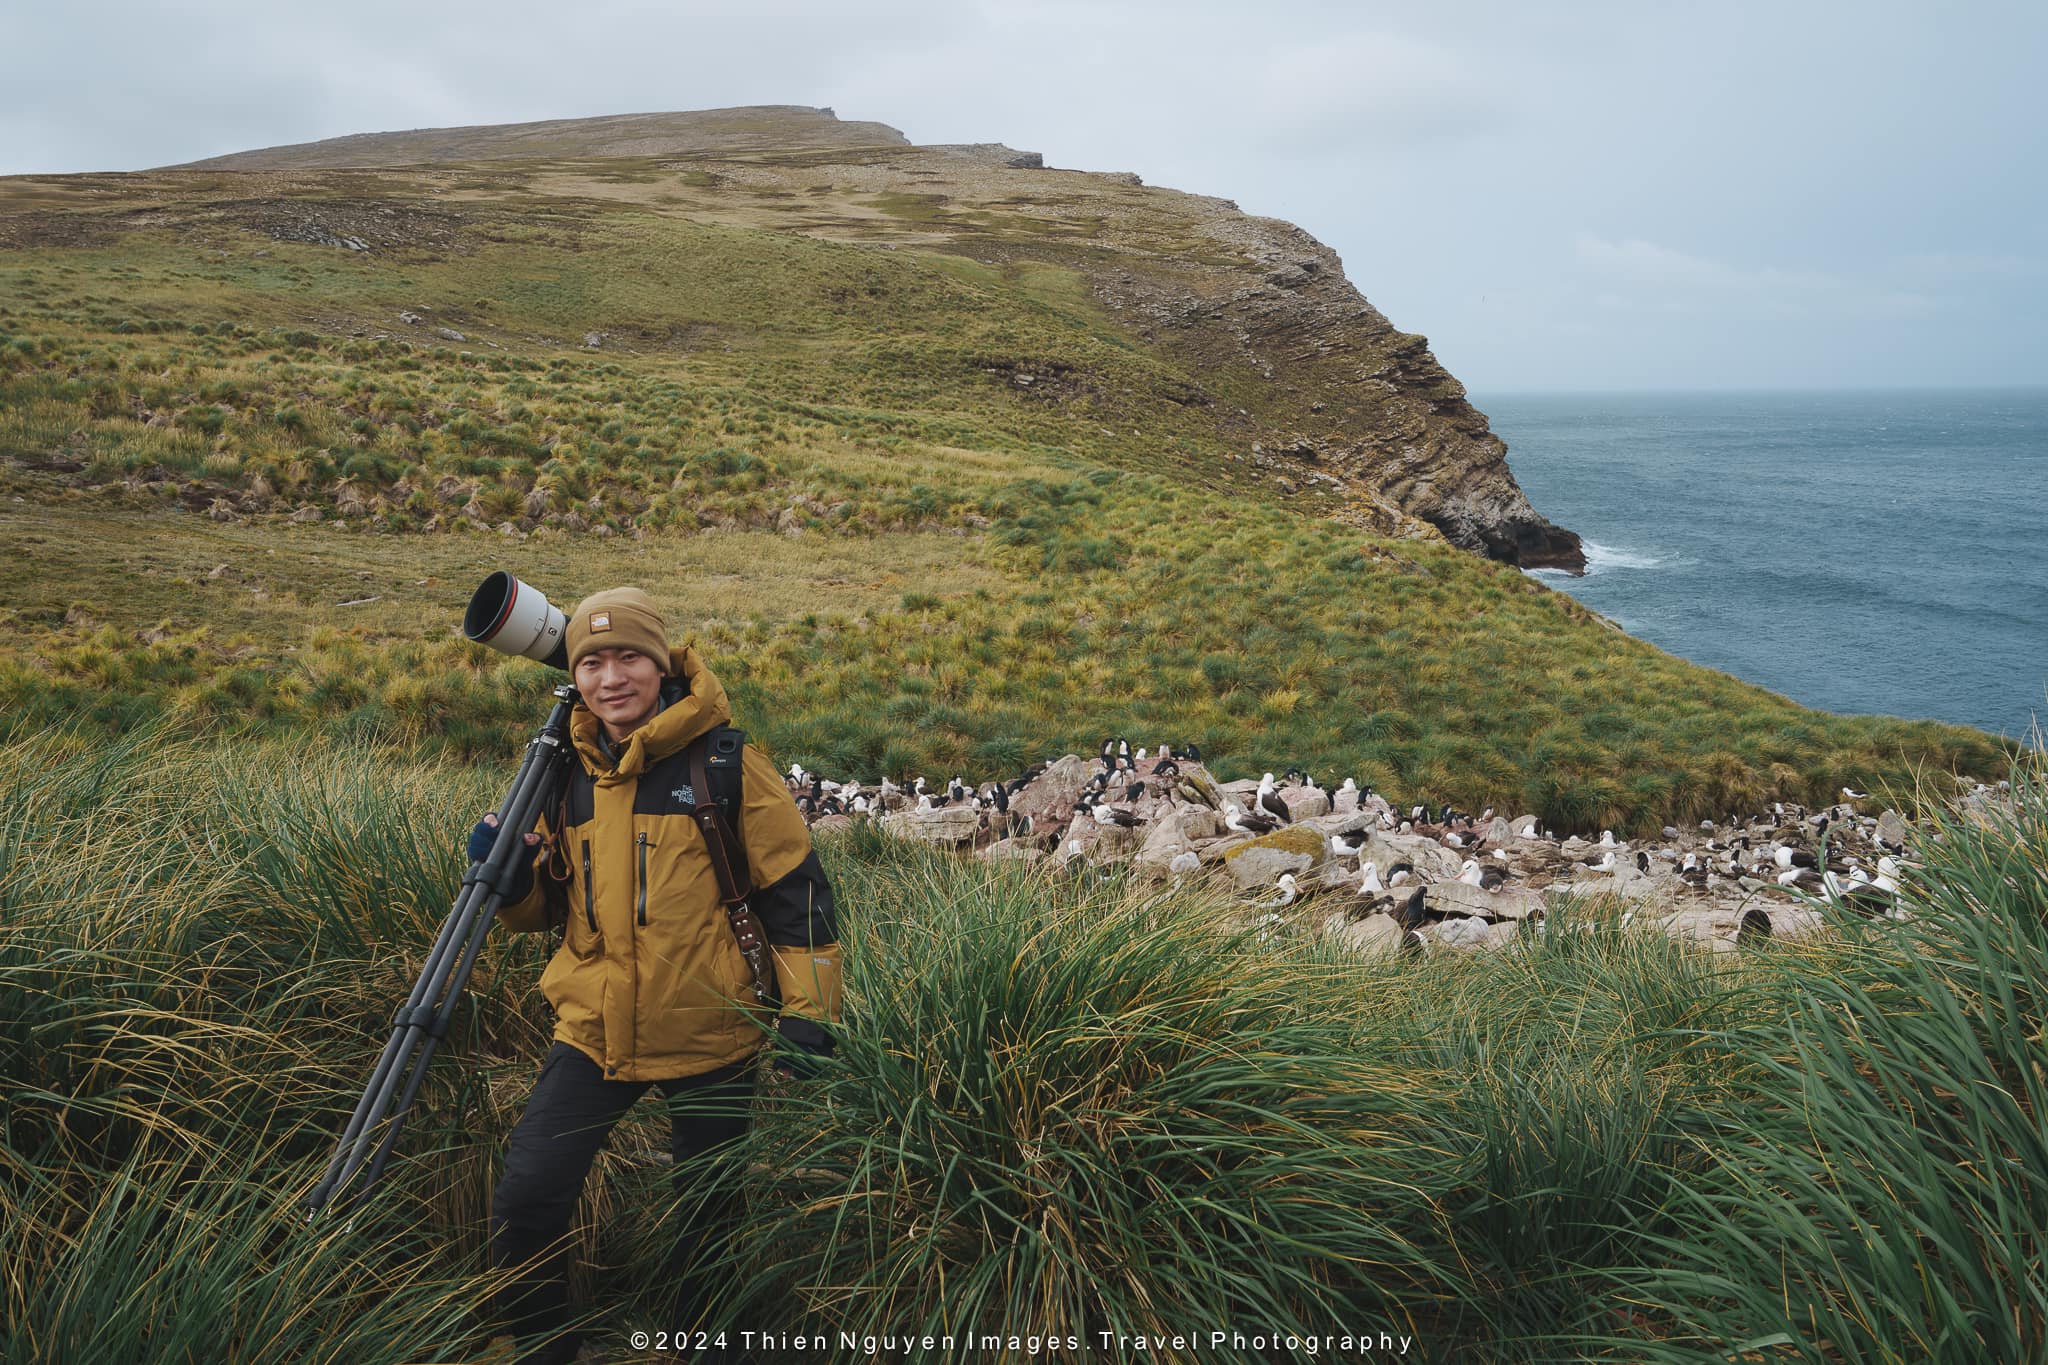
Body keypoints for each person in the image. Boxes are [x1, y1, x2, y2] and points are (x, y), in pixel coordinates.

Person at [473, 586, 842, 1364]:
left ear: (663, 662)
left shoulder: (727, 762)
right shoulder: (560, 774)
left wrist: (812, 1015)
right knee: (529, 1196)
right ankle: (544, 1347)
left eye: (629, 657)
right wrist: (511, 884)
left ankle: (700, 1342)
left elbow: (796, 892)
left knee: (709, 1214)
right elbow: (547, 909)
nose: (613, 677)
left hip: (713, 1027)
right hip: (593, 1028)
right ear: (576, 676)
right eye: (594, 661)